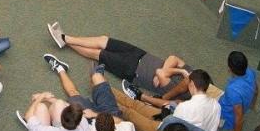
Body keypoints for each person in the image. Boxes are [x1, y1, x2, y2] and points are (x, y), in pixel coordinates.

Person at [45, 24, 195, 107]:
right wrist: (174, 70)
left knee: (98, 54)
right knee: (104, 40)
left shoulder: (176, 90)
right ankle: (67, 38)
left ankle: (64, 40)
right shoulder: (189, 73)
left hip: (133, 70)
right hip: (141, 54)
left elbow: (161, 72)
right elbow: (173, 58)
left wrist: (174, 71)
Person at [41, 53, 122, 119]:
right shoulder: (126, 130)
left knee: (73, 94)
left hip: (94, 124)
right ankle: (97, 79)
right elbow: (118, 121)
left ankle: (60, 68)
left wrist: (43, 97)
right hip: (110, 115)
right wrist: (95, 115)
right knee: (96, 77)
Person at [220, 51, 258, 131]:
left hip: (225, 118)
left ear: (230, 69)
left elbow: (239, 118)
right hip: (235, 103)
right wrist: (252, 105)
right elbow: (256, 90)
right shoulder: (250, 72)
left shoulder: (232, 90)